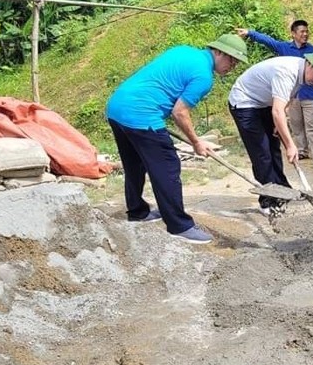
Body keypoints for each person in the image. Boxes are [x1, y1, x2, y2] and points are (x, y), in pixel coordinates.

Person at [105, 34, 249, 244]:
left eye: (237, 63)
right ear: (218, 52)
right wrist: (196, 142)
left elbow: (161, 84)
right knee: (168, 165)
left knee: (134, 164)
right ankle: (180, 225)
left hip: (117, 107)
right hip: (142, 113)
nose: (233, 66)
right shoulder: (203, 77)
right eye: (232, 60)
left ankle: (138, 212)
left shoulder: (183, 50)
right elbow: (180, 112)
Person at [229, 50, 313, 216]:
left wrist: (280, 123)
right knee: (262, 153)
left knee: (273, 148)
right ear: (309, 64)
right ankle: (268, 201)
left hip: (264, 103)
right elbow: (277, 111)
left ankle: (281, 189)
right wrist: (290, 145)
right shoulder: (287, 72)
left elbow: (287, 100)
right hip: (244, 102)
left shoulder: (302, 76)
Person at [237, 21, 313, 166]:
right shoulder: (284, 47)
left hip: (309, 95)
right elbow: (268, 41)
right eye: (302, 31)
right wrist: (250, 33)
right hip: (289, 96)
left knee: (312, 126)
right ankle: (301, 151)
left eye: (307, 31)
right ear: (293, 34)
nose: (305, 34)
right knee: (296, 125)